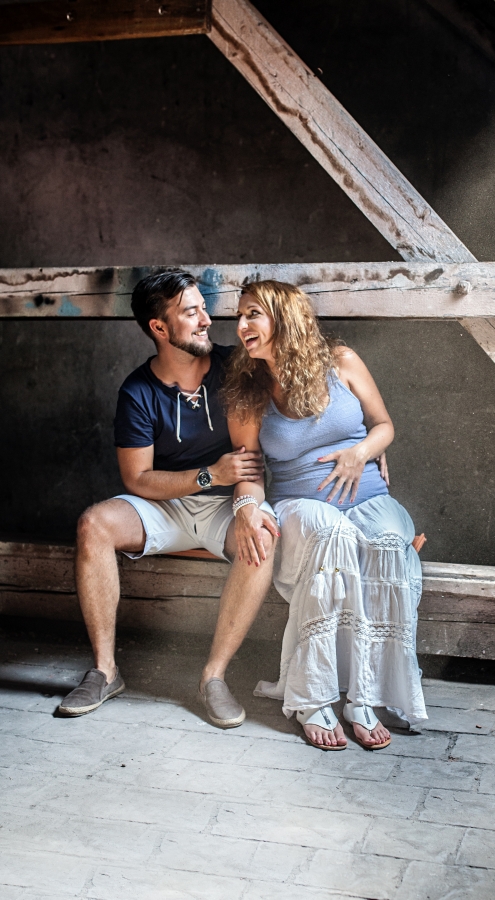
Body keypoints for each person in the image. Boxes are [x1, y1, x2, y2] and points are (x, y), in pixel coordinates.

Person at [58, 269, 279, 726]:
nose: (206, 320)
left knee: (262, 535)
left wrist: (246, 508)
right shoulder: (138, 391)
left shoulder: (234, 367)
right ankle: (105, 671)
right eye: (191, 312)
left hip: (225, 505)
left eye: (204, 308)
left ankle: (213, 677)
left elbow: (248, 462)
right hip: (166, 505)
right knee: (93, 524)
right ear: (159, 327)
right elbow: (137, 479)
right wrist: (207, 475)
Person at [221, 280, 427, 750]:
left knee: (387, 542)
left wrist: (360, 453)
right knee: (332, 534)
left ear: (285, 317)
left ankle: (364, 697)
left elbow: (383, 425)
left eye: (252, 314)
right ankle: (312, 698)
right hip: (302, 504)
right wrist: (247, 508)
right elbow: (248, 470)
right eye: (239, 316)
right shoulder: (247, 392)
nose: (241, 325)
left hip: (369, 497)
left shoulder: (343, 362)